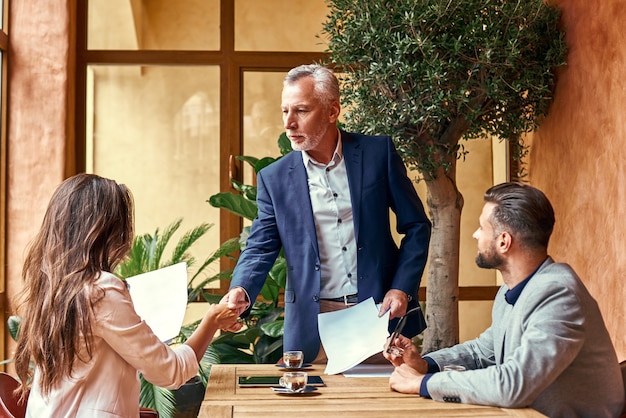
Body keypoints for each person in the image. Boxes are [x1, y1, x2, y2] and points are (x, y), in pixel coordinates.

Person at [221, 64, 432, 363]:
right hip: (313, 323)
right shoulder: (274, 178)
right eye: (285, 111)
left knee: (382, 405)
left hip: (378, 315)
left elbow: (417, 226)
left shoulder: (377, 155)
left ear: (332, 111)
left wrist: (401, 288)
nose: (289, 123)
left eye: (301, 111)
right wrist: (241, 287)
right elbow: (261, 245)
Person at [384, 182, 625, 418]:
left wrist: (424, 383)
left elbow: (513, 384)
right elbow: (482, 352)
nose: (475, 234)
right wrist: (425, 365)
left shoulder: (559, 295)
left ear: (503, 241)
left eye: (482, 228)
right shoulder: (511, 290)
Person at [13, 174, 240, 417]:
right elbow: (170, 372)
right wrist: (212, 321)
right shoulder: (100, 289)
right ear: (107, 230)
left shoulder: (51, 286)